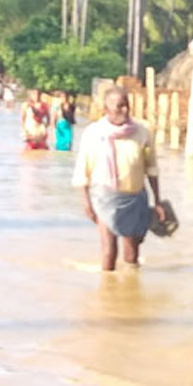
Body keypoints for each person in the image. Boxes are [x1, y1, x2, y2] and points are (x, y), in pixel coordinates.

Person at [72, 86, 166, 270]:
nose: (124, 110)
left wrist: (158, 200)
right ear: (106, 110)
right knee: (109, 250)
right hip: (105, 197)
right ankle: (107, 291)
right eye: (119, 106)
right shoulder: (94, 133)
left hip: (135, 197)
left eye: (127, 106)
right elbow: (82, 171)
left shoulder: (142, 132)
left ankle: (131, 290)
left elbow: (151, 168)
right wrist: (87, 204)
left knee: (132, 253)